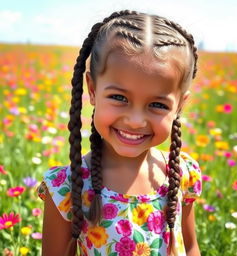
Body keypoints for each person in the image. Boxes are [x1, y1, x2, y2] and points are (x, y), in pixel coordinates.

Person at [37, 9, 202, 256]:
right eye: (119, 97)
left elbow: (189, 247)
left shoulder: (181, 174)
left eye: (157, 104)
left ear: (179, 105)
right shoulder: (67, 189)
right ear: (92, 89)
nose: (136, 121)